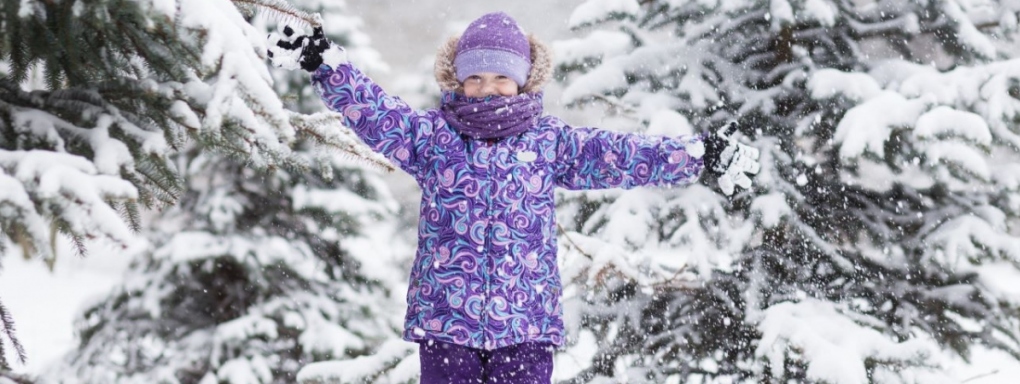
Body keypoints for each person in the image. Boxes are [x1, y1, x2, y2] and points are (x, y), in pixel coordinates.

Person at [267, 11, 759, 384]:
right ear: (456, 80)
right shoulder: (434, 138)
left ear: (524, 79)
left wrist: (701, 155)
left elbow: (620, 154)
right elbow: (377, 114)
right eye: (475, 78)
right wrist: (325, 63)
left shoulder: (549, 143)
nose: (488, 89)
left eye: (501, 76)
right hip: (447, 325)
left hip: (525, 329)